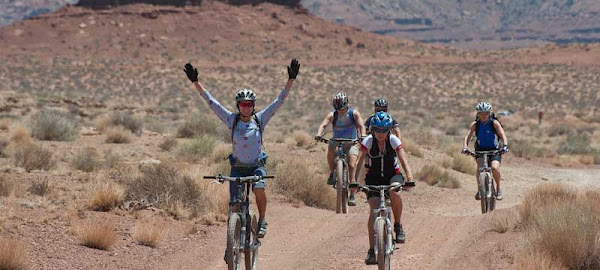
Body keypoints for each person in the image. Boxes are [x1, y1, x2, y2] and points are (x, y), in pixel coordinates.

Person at [183, 59, 300, 239]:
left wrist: (291, 79)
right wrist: (195, 82)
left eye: (249, 104)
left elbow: (279, 101)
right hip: (237, 167)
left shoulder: (260, 119)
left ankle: (261, 220)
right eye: (243, 104)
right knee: (235, 205)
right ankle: (233, 244)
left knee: (259, 189)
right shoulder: (231, 120)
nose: (246, 107)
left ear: (253, 106)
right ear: (238, 106)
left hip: (256, 166)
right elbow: (212, 103)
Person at [350, 111, 414, 265]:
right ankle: (372, 250)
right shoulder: (368, 142)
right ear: (372, 130)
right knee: (374, 209)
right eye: (377, 130)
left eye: (384, 130)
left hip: (393, 175)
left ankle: (398, 226)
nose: (380, 133)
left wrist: (410, 177)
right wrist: (353, 181)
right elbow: (359, 162)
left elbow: (403, 160)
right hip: (373, 176)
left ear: (389, 130)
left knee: (395, 192)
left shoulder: (393, 140)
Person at [315, 92, 366, 206]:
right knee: (330, 150)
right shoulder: (333, 115)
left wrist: (362, 135)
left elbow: (361, 126)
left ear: (347, 105)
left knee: (352, 164)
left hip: (351, 142)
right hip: (336, 141)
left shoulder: (354, 113)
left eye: (342, 108)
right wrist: (319, 134)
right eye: (338, 109)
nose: (340, 111)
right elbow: (323, 125)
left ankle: (352, 193)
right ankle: (333, 172)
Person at [461, 102, 509, 200]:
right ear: (478, 114)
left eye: (486, 113)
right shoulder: (475, 124)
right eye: (481, 113)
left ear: (489, 113)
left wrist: (505, 145)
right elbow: (467, 136)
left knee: (494, 168)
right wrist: (465, 147)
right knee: (480, 168)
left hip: (494, 149)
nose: (483, 115)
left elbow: (502, 134)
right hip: (480, 149)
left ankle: (498, 187)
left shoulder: (494, 123)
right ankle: (480, 189)